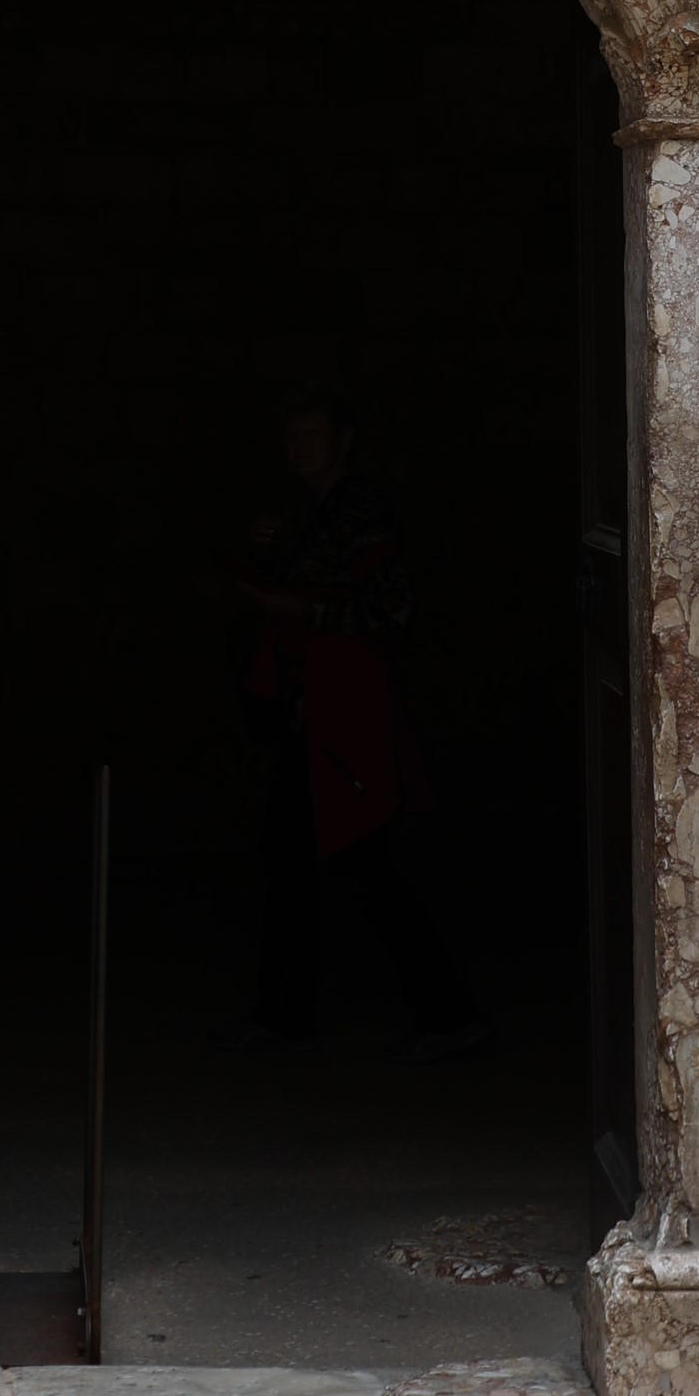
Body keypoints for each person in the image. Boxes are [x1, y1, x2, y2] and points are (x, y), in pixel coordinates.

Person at [226, 392, 487, 1061]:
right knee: (297, 854)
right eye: (291, 435)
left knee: (369, 858)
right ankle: (289, 1014)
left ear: (343, 440)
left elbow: (389, 609)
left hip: (350, 717)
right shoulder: (312, 514)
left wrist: (293, 606)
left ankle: (448, 1012)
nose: (299, 447)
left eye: (311, 434)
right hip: (310, 713)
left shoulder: (361, 513)